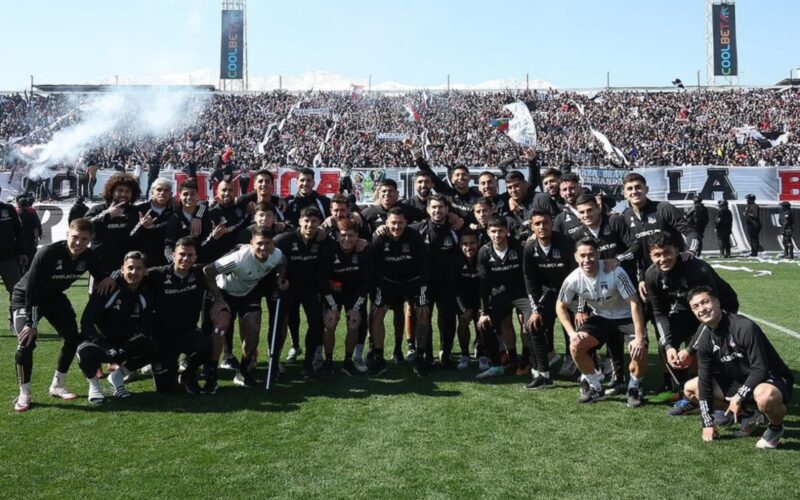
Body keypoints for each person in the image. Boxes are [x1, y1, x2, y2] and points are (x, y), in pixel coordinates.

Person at [10, 219, 115, 412]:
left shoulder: (89, 256)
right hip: (26, 297)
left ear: (90, 239)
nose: (78, 243)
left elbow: (102, 274)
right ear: (68, 234)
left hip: (54, 298)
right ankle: (24, 393)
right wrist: (31, 322)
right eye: (75, 237)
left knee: (72, 338)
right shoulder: (47, 253)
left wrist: (108, 277)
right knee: (26, 341)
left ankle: (57, 385)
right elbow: (31, 290)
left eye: (84, 239)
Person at [683, 286, 793, 449]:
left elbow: (760, 369)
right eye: (696, 306)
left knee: (764, 396)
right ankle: (748, 415)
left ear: (717, 302)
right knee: (691, 388)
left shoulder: (744, 327)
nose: (702, 309)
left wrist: (738, 397)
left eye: (705, 302)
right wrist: (707, 423)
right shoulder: (705, 337)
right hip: (741, 380)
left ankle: (776, 427)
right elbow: (705, 381)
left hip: (770, 378)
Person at [643, 233, 739, 416]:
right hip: (687, 305)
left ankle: (722, 402)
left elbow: (711, 312)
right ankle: (687, 396)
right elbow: (659, 313)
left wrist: (691, 349)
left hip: (719, 307)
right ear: (650, 255)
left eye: (667, 252)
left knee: (711, 347)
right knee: (666, 343)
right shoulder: (651, 275)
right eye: (657, 255)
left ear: (677, 250)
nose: (663, 259)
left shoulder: (696, 269)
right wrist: (669, 345)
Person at [556, 237, 648, 407]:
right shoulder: (572, 279)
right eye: (582, 256)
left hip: (626, 315)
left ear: (598, 254)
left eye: (591, 255)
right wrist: (571, 334)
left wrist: (640, 337)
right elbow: (560, 306)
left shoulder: (615, 272)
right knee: (576, 346)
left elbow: (635, 303)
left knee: (639, 349)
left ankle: (634, 387)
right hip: (601, 317)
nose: (587, 260)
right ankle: (595, 387)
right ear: (576, 257)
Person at [203, 225, 286, 389]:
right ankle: (211, 373)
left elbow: (283, 261)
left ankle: (243, 370)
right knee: (220, 329)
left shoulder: (276, 255)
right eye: (259, 243)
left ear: (272, 245)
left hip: (247, 293)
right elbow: (208, 270)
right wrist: (219, 298)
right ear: (251, 243)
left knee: (253, 329)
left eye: (267, 243)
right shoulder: (238, 258)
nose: (263, 248)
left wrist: (280, 277)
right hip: (225, 292)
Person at [76, 251, 156, 404]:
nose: (134, 272)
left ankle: (118, 376)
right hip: (102, 341)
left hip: (124, 343)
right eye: (130, 268)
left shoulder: (145, 294)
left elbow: (147, 328)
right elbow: (86, 322)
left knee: (155, 347)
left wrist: (126, 347)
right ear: (122, 269)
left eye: (139, 268)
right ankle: (94, 386)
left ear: (145, 271)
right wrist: (105, 347)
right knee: (84, 352)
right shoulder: (107, 289)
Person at [146, 237, 212, 394]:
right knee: (165, 390)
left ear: (195, 257)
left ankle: (188, 375)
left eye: (190, 255)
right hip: (163, 336)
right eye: (181, 254)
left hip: (188, 332)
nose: (185, 258)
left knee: (206, 346)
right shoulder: (158, 274)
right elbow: (132, 271)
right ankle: (161, 366)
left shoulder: (200, 272)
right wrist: (112, 277)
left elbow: (223, 265)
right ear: (173, 255)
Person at [370, 207, 430, 376]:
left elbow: (424, 267)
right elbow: (374, 268)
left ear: (406, 223)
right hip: (387, 282)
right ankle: (379, 356)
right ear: (387, 222)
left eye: (400, 223)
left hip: (412, 282)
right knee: (377, 313)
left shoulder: (414, 237)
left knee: (423, 311)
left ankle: (420, 356)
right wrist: (378, 293)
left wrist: (423, 295)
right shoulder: (379, 238)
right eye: (393, 223)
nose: (396, 227)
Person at [522, 210, 577, 389]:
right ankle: (544, 375)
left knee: (576, 328)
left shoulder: (566, 243)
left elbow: (577, 275)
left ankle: (583, 367)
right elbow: (530, 281)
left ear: (552, 224)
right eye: (537, 223)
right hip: (550, 293)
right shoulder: (530, 248)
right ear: (532, 226)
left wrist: (580, 306)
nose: (542, 227)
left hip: (571, 293)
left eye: (545, 222)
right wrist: (535, 310)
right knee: (533, 324)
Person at [273, 207, 329, 378]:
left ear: (319, 224)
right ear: (299, 221)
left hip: (311, 288)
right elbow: (267, 250)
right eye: (306, 221)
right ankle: (274, 362)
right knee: (280, 323)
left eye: (314, 221)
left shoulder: (322, 240)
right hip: (288, 287)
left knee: (315, 323)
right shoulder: (284, 239)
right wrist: (278, 278)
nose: (310, 225)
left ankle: (309, 363)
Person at [475, 216, 531, 379]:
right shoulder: (484, 252)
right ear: (488, 232)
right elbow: (484, 284)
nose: (497, 235)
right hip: (499, 294)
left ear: (506, 231)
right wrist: (484, 311)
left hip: (521, 292)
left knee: (529, 323)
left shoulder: (518, 247)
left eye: (500, 231)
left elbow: (528, 274)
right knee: (486, 323)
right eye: (493, 231)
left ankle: (526, 359)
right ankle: (500, 363)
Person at [411, 194, 462, 369]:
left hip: (448, 285)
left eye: (440, 207)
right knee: (424, 318)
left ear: (447, 209)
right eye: (433, 207)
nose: (437, 210)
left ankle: (445, 354)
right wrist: (384, 228)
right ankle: (426, 355)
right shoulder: (419, 228)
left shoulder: (455, 230)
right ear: (427, 210)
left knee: (448, 320)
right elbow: (398, 227)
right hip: (425, 284)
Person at [320, 219, 371, 377]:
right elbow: (322, 280)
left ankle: (348, 361)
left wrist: (355, 308)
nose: (347, 239)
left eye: (351, 235)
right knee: (330, 322)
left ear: (357, 236)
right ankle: (328, 361)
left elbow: (367, 282)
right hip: (333, 294)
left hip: (354, 293)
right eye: (343, 235)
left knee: (354, 323)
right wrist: (332, 306)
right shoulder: (329, 250)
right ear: (337, 235)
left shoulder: (364, 250)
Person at [84, 173, 141, 273]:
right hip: (100, 266)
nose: (124, 194)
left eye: (127, 191)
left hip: (126, 266)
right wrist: (107, 215)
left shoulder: (135, 211)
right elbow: (83, 226)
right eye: (120, 190)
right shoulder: (98, 209)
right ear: (111, 191)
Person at [131, 177, 175, 268]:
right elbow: (130, 236)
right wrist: (142, 226)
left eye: (166, 190)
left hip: (167, 261)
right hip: (143, 262)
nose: (162, 193)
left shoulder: (175, 210)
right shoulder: (139, 210)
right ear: (152, 192)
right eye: (159, 189)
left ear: (171, 194)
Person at [455, 229, 481, 370]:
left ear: (477, 243)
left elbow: (486, 286)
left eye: (472, 243)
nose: (469, 247)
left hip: (480, 297)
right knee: (463, 320)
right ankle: (465, 354)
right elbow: (454, 288)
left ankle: (482, 352)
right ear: (460, 245)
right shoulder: (455, 260)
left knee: (482, 322)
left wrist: (483, 309)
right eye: (465, 244)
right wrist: (463, 309)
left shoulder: (483, 257)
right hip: (463, 299)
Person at [0, 189, 25, 296]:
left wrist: (22, 252)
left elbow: (19, 232)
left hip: (8, 258)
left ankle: (16, 313)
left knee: (17, 291)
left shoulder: (8, 209)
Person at [15, 193, 40, 273]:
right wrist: (36, 239)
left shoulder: (15, 214)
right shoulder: (31, 214)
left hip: (18, 241)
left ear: (18, 205)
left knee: (18, 262)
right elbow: (35, 228)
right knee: (30, 262)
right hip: (29, 241)